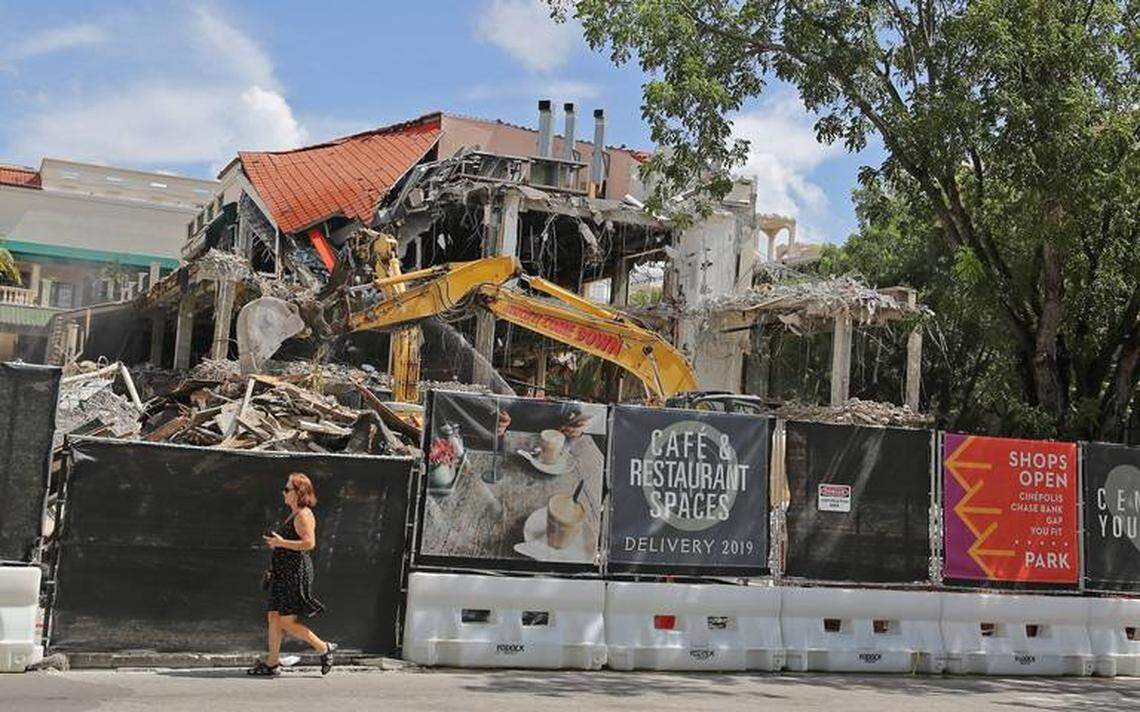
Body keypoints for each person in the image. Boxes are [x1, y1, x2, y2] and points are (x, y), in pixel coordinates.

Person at [247, 472, 337, 676]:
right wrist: (277, 545)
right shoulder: (294, 513)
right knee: (274, 617)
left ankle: (324, 648)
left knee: (286, 621)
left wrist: (281, 543)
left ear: (298, 493)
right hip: (283, 571)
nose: (283, 492)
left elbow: (309, 543)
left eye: (287, 489)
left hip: (294, 573)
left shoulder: (304, 514)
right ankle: (272, 663)